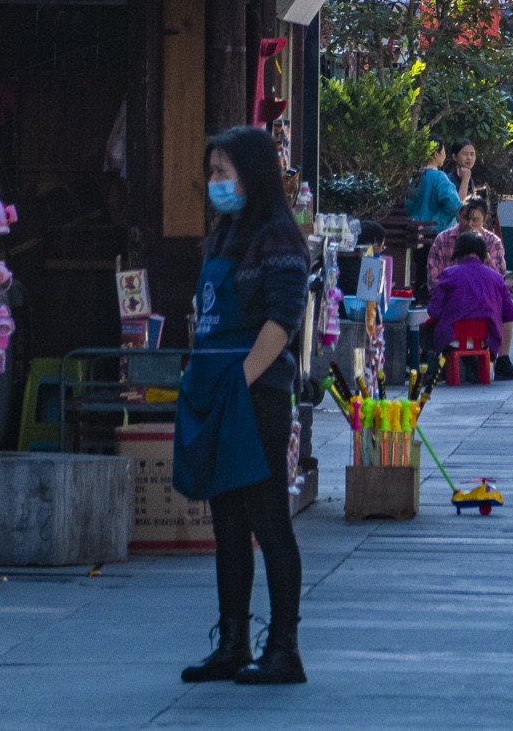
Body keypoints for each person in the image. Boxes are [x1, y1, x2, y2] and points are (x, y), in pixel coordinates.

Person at [176, 126, 314, 685]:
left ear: (250, 175)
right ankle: (232, 640)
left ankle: (283, 648)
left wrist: (241, 379)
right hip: (216, 389)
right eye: (211, 172)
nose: (214, 183)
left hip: (256, 395)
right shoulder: (224, 234)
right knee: (227, 521)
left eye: (222, 173)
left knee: (268, 521)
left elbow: (282, 321)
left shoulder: (278, 238)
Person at [430, 232, 513, 380]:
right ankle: (495, 363)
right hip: (487, 339)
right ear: (484, 253)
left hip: (452, 338)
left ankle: (434, 369)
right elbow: (511, 314)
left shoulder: (448, 274)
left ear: (458, 251)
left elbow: (434, 311)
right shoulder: (496, 278)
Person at [426, 197, 507, 290]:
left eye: (475, 220)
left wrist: (485, 256)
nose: (469, 224)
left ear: (484, 220)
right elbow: (434, 281)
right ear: (459, 216)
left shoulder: (493, 243)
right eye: (465, 218)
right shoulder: (442, 240)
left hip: (482, 300)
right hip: (450, 299)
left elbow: (498, 281)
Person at [405, 143, 462, 242]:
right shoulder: (440, 178)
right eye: (443, 152)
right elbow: (454, 207)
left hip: (411, 234)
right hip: (437, 236)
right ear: (436, 154)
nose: (445, 155)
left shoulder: (414, 177)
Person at [448, 139, 481, 204]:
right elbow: (458, 206)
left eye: (472, 154)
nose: (469, 157)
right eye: (465, 154)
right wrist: (465, 180)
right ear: (454, 157)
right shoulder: (448, 180)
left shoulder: (470, 180)